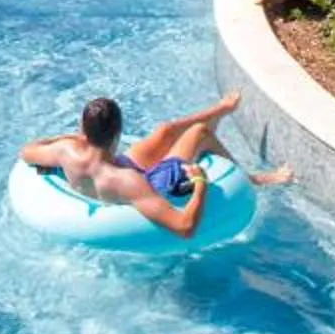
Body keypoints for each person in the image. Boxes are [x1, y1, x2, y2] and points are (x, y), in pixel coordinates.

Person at [19, 92, 291, 238]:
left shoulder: (66, 150)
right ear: (118, 134)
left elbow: (27, 151)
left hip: (113, 165)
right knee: (199, 133)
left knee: (165, 131)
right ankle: (254, 180)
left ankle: (222, 109)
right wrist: (199, 185)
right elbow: (184, 228)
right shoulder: (129, 182)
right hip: (145, 184)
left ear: (83, 129)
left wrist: (65, 137)